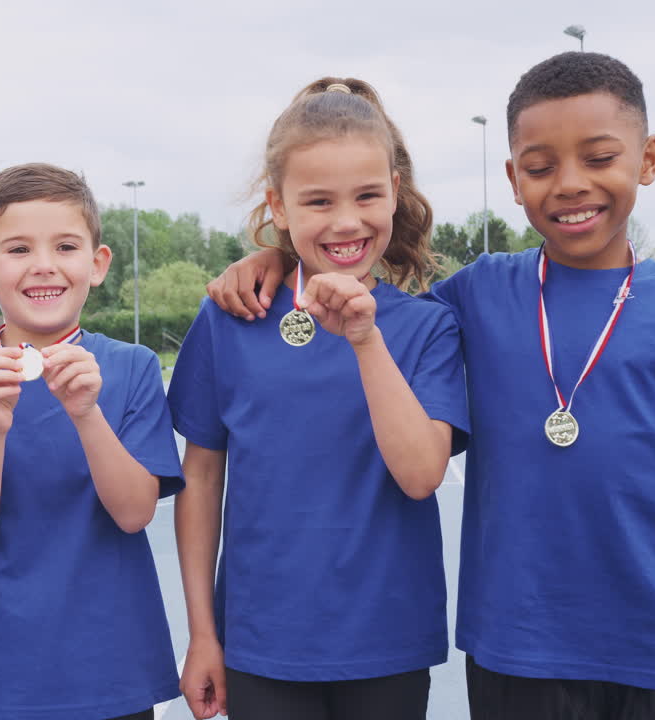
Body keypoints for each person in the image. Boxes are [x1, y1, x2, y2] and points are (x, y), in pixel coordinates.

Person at [207, 53, 655, 720]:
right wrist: (279, 253)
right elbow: (365, 292)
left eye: (598, 158)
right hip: (514, 656)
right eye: (539, 167)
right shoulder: (478, 295)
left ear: (648, 160)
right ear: (512, 177)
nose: (568, 184)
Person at [169, 77, 470, 720]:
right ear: (279, 207)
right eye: (317, 201)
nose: (345, 221)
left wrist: (364, 338)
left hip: (387, 642)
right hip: (260, 645)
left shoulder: (427, 327)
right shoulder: (231, 316)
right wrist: (202, 631)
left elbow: (422, 475)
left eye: (367, 195)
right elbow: (200, 478)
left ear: (395, 188)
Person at [0, 163, 183, 720]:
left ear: (98, 262)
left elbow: (134, 513)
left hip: (109, 671)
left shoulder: (131, 368)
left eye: (65, 245)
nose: (43, 266)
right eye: (17, 249)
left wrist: (87, 414)